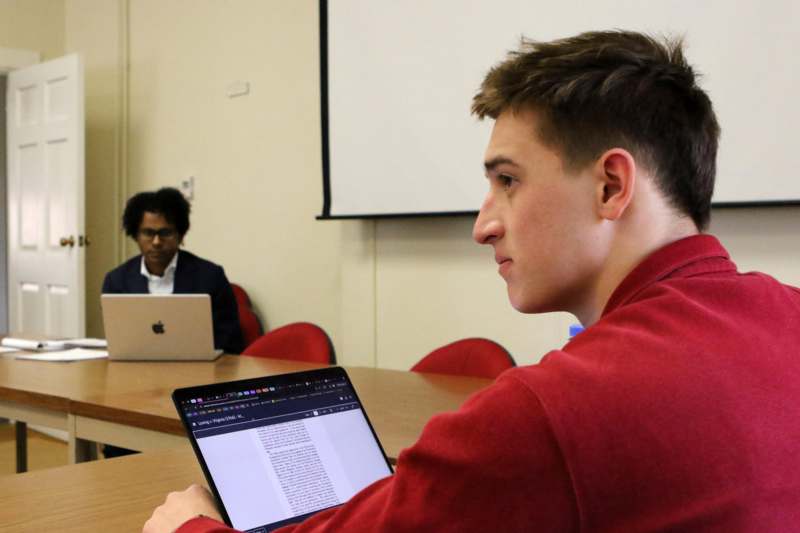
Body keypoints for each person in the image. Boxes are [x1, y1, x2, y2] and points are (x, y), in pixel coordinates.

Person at [144, 31, 800, 532]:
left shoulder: (551, 410)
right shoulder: (788, 316)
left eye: (507, 181)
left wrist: (188, 524)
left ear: (611, 185)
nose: (483, 225)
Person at [103, 187, 244, 355]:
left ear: (180, 234)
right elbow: (118, 342)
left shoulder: (210, 277)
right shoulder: (117, 281)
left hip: (198, 370)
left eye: (165, 233)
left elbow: (229, 341)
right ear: (135, 235)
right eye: (148, 233)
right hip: (136, 371)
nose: (156, 242)